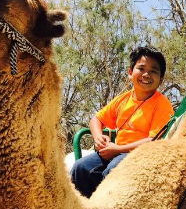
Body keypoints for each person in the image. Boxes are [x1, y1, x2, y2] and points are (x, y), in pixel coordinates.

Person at [71, 46, 174, 198]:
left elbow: (154, 140)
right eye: (141, 68)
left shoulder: (162, 104)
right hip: (116, 151)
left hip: (142, 156)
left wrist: (118, 149)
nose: (146, 74)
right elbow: (96, 119)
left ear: (161, 79)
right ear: (130, 73)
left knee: (114, 169)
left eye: (153, 71)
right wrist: (98, 137)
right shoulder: (123, 99)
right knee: (81, 167)